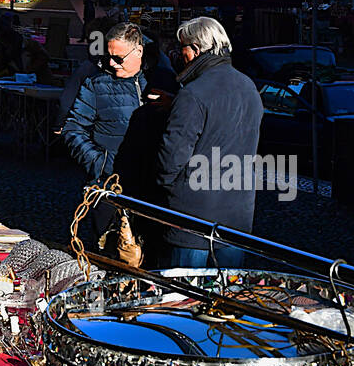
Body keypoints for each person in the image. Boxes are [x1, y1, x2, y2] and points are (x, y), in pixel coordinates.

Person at [157, 15, 264, 270]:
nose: (178, 54)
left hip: (192, 216)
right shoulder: (249, 87)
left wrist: (166, 187)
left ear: (195, 50)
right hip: (238, 213)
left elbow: (171, 159)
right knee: (229, 299)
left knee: (184, 300)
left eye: (181, 47)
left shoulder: (193, 93)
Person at [62, 22, 148, 237]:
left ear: (138, 51)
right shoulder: (97, 84)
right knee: (109, 250)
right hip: (109, 185)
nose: (112, 63)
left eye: (118, 58)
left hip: (150, 187)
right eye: (109, 56)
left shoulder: (160, 81)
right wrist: (100, 164)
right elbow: (73, 129)